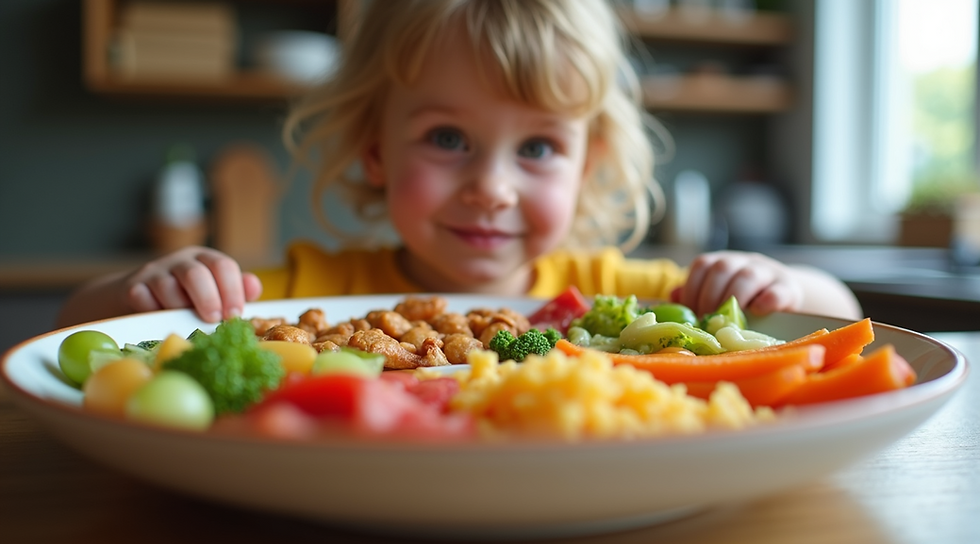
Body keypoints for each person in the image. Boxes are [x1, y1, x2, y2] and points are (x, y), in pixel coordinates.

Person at [56, 0, 862, 329]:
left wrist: (773, 285)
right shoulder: (312, 293)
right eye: (448, 138)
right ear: (375, 147)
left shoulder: (626, 296)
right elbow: (74, 323)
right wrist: (160, 289)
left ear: (588, 166)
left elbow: (839, 311)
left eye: (539, 147)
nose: (492, 188)